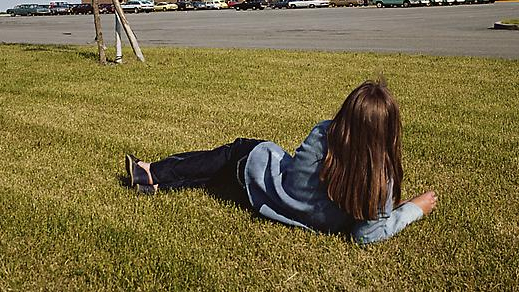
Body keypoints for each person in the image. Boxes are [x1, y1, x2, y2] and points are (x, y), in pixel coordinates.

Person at [125, 79, 437, 245]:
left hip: (259, 179)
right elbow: (366, 235)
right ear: (390, 131)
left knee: (227, 156)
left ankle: (151, 172)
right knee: (217, 175)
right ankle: (154, 178)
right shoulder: (380, 182)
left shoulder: (325, 134)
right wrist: (412, 209)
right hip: (267, 202)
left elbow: (292, 177)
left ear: (346, 115)